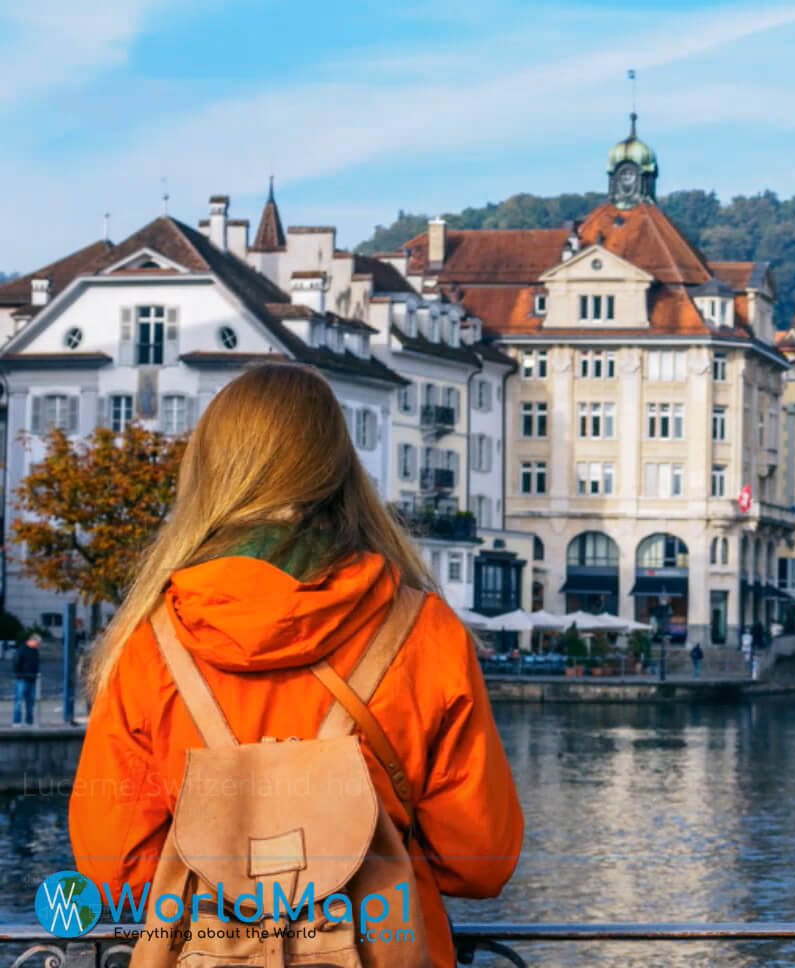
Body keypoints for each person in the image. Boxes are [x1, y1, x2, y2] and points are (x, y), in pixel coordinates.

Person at [69, 364, 523, 967]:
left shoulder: (149, 643)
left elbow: (113, 868)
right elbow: (478, 858)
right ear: (338, 471)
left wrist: (229, 857)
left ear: (208, 472)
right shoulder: (425, 631)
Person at [11, 635, 39, 725]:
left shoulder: (35, 651)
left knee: (30, 702)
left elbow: (36, 664)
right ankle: (17, 721)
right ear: (31, 641)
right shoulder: (22, 649)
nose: (38, 645)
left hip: (32, 679)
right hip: (22, 679)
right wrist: (19, 675)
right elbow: (16, 662)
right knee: (18, 701)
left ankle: (29, 721)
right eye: (37, 643)